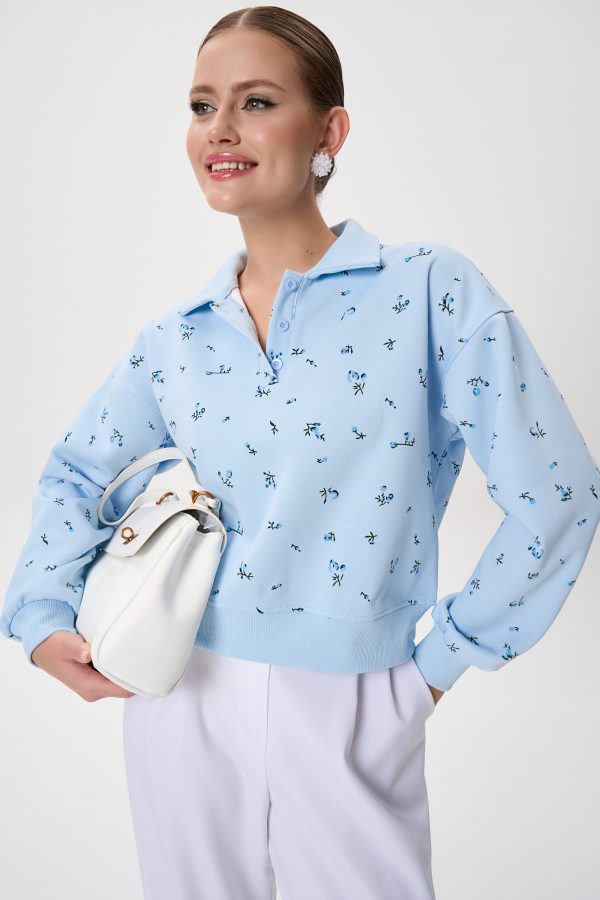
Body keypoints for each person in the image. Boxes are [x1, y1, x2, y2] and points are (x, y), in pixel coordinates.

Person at [2, 6, 599, 900]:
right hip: (177, 689)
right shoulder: (178, 336)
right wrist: (40, 610)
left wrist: (436, 668)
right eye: (202, 105)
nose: (220, 128)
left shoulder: (426, 290)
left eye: (256, 101)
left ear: (330, 132)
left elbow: (559, 492)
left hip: (356, 698)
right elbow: (77, 472)